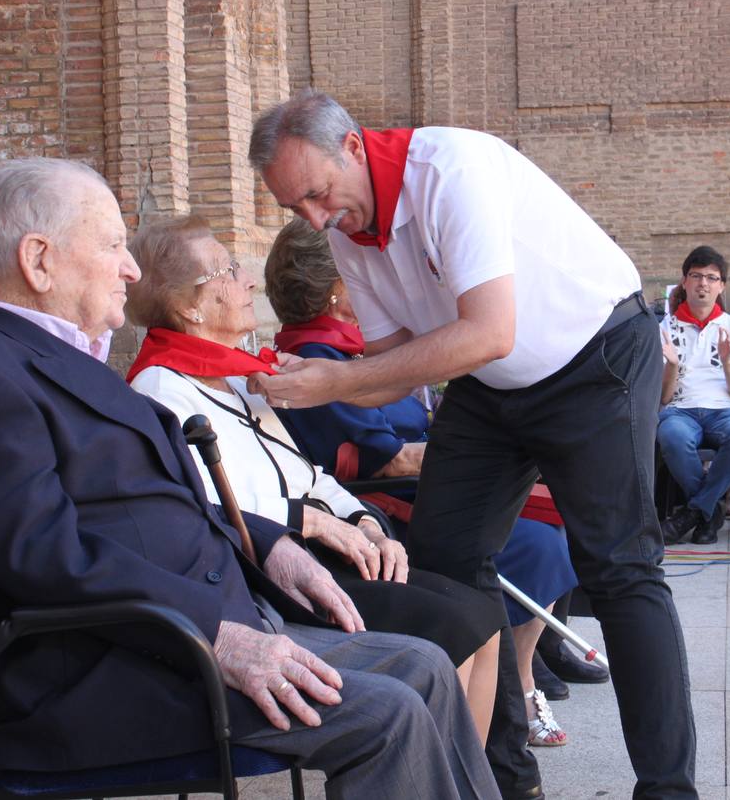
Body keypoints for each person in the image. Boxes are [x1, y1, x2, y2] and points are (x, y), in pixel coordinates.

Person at [0, 159, 497, 798]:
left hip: (189, 630)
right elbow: (44, 556)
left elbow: (167, 503)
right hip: (98, 670)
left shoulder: (63, 360)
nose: (130, 269)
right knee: (389, 714)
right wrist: (217, 635)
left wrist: (272, 545)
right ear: (39, 260)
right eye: (110, 247)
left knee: (425, 664)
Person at [247, 92, 695, 800]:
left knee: (619, 567)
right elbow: (397, 363)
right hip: (488, 380)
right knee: (446, 561)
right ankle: (509, 780)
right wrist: (309, 382)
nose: (313, 218)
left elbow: (487, 331)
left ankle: (668, 791)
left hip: (595, 355)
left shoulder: (451, 167)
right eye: (293, 208)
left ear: (355, 149)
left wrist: (341, 379)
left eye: (317, 194)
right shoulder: (344, 231)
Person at [122, 215, 507, 745]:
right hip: (272, 577)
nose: (248, 281)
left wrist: (362, 520)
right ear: (190, 305)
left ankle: (466, 780)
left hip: (326, 552)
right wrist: (316, 523)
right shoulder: (161, 388)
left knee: (483, 616)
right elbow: (209, 506)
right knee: (456, 632)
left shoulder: (235, 375)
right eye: (230, 271)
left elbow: (305, 474)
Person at [261, 217, 585, 750]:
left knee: (557, 512)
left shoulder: (343, 345)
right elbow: (385, 460)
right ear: (339, 288)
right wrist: (485, 454)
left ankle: (524, 668)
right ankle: (520, 683)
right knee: (538, 537)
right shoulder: (318, 355)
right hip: (390, 499)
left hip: (422, 483)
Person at [657, 246, 730, 546]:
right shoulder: (665, 327)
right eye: (696, 276)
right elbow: (663, 397)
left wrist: (727, 361)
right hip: (680, 409)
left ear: (722, 285)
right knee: (671, 435)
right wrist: (672, 365)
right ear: (684, 282)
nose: (703, 284)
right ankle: (709, 513)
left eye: (711, 278)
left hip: (724, 409)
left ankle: (692, 513)